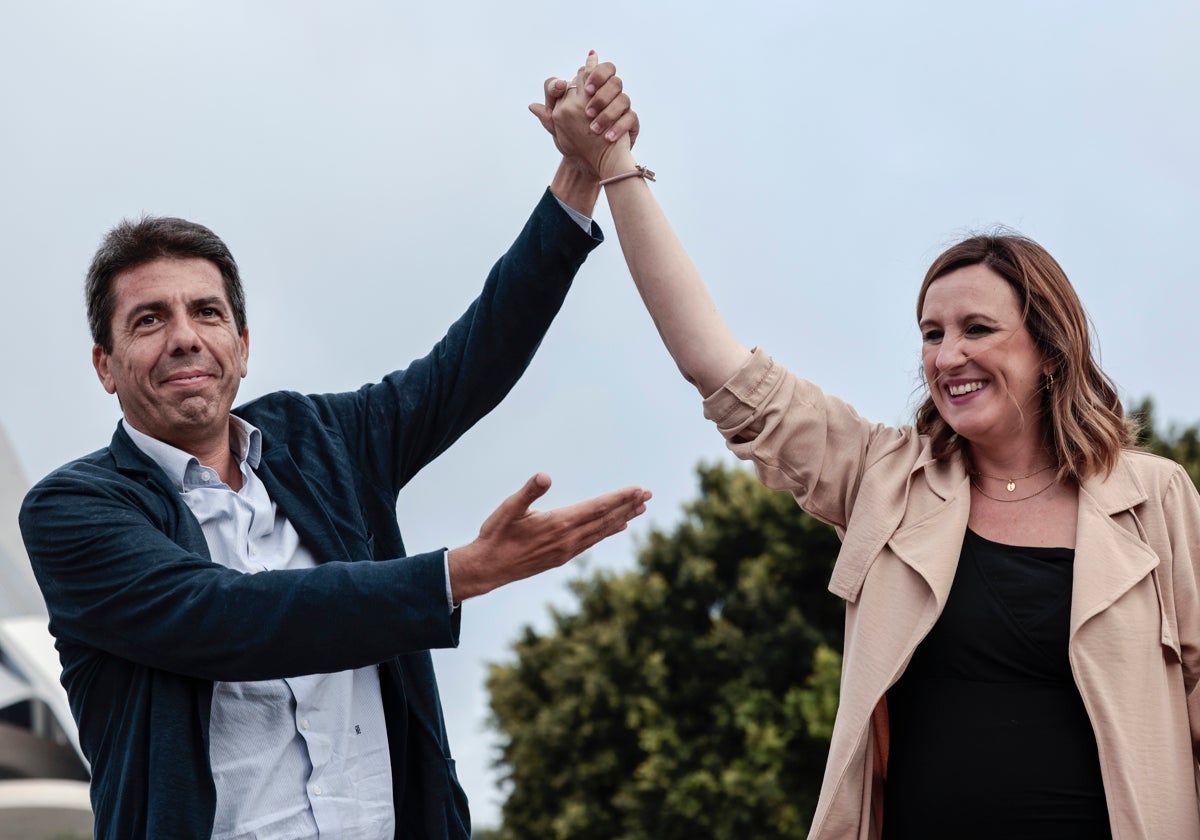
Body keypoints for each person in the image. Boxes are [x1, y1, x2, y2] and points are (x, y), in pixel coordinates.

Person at [544, 64, 1200, 839]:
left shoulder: (1156, 499)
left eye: (977, 329)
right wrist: (616, 166)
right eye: (931, 333)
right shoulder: (883, 479)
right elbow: (716, 365)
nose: (948, 354)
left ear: (1049, 350)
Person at [18, 57, 651, 840]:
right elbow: (224, 617)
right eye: (149, 320)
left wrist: (578, 175)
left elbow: (470, 361)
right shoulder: (71, 509)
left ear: (242, 346)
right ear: (104, 365)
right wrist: (457, 576)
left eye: (207, 313)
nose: (185, 338)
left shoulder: (325, 444)